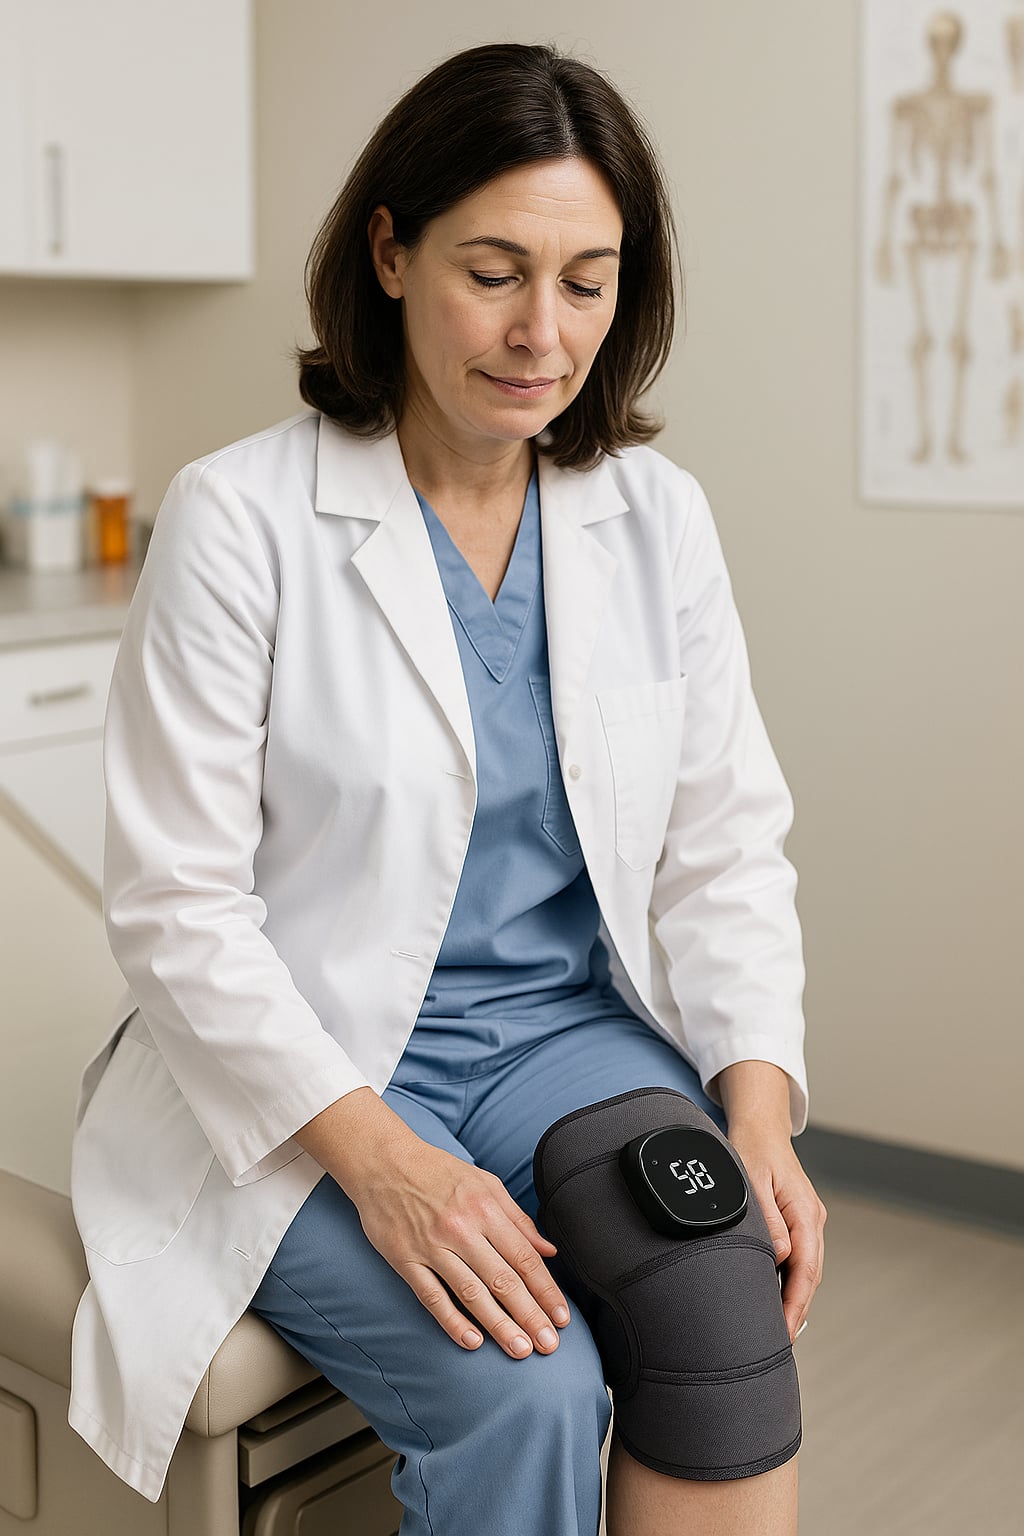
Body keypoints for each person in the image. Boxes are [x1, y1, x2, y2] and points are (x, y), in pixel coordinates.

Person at [69, 41, 826, 1536]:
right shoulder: (241, 519)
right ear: (391, 253)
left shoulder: (653, 518)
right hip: (317, 1066)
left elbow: (724, 843)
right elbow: (176, 909)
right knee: (521, 1388)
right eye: (494, 273)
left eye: (588, 283)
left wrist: (758, 1109)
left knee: (717, 1313)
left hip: (560, 1043)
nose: (544, 332)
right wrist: (391, 1169)